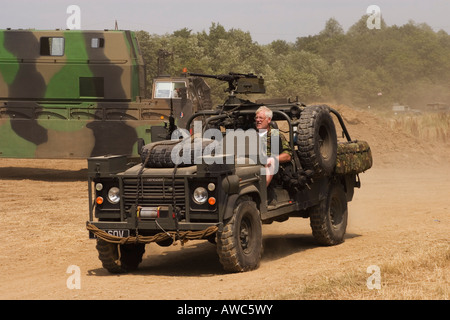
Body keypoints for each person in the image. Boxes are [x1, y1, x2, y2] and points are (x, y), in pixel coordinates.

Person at [255, 106, 292, 186]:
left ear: (268, 120)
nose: (258, 120)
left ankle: (262, 190)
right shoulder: (252, 135)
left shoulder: (276, 135)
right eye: (256, 118)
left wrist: (273, 159)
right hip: (255, 166)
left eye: (261, 118)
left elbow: (288, 156)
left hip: (273, 169)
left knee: (271, 162)